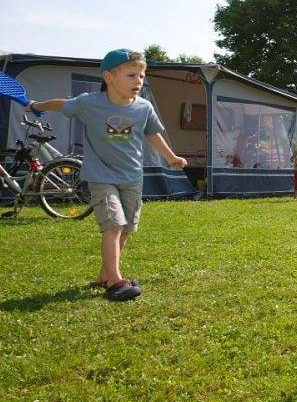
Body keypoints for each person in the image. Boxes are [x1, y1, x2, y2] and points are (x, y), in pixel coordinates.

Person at [27, 49, 187, 302]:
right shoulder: (90, 103)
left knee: (126, 228)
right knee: (114, 224)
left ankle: (104, 275)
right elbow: (62, 104)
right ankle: (115, 280)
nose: (138, 81)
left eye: (141, 76)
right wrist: (37, 106)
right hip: (101, 176)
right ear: (109, 77)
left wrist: (170, 157)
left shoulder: (143, 107)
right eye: (131, 75)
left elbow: (152, 133)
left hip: (132, 177)